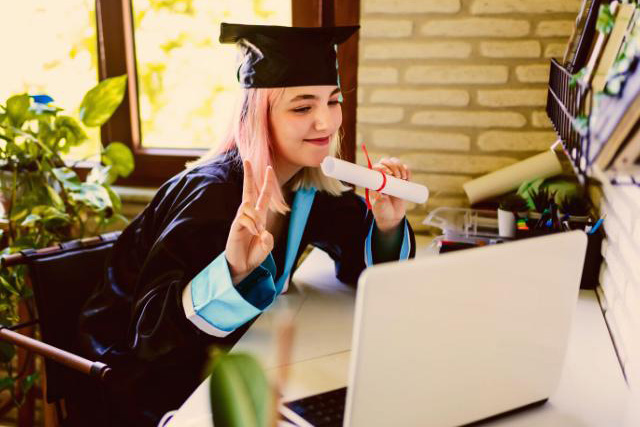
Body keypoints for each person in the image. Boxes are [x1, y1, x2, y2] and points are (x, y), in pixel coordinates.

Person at [75, 22, 416, 426]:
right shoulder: (211, 196)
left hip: (236, 358)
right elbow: (150, 336)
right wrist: (233, 272)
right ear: (259, 115)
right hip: (145, 384)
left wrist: (388, 225)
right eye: (302, 107)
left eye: (333, 101)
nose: (326, 123)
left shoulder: (308, 183)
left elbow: (354, 257)